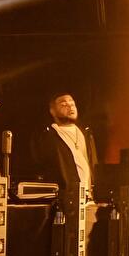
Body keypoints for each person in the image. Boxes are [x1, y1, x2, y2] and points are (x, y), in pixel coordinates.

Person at [30, 92, 99, 221]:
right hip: (65, 204)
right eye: (64, 104)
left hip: (89, 201)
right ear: (52, 111)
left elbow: (93, 164)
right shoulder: (48, 136)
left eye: (72, 104)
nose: (70, 106)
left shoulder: (86, 133)